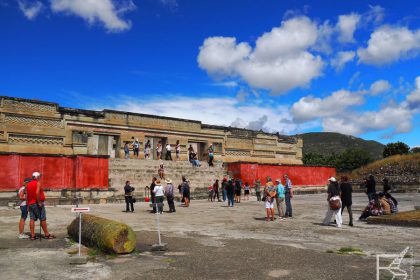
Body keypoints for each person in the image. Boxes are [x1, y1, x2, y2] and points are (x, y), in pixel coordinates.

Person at [26, 172, 55, 240]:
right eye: (39, 176)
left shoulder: (28, 184)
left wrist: (28, 205)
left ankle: (32, 235)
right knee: (42, 218)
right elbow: (37, 192)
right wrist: (39, 202)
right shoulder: (38, 183)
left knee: (32, 219)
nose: (40, 178)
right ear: (36, 177)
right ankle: (47, 234)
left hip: (30, 204)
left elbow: (27, 195)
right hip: (37, 204)